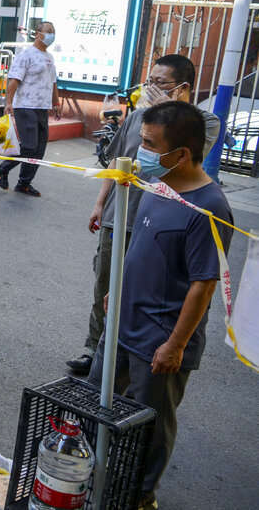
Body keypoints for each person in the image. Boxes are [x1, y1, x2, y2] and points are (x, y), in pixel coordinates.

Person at [87, 101, 233, 510]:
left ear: (182, 153)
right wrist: (119, 289)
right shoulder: (158, 185)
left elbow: (203, 284)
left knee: (149, 424)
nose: (140, 154)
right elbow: (141, 247)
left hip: (159, 340)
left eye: (149, 144)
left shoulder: (209, 207)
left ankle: (140, 494)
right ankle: (94, 475)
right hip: (120, 323)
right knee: (94, 400)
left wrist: (176, 344)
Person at [67, 54, 222, 375]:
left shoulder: (202, 122)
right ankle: (95, 349)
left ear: (182, 87)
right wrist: (100, 204)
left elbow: (197, 151)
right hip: (118, 215)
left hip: (160, 222)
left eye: (160, 83)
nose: (151, 88)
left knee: (146, 292)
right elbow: (117, 160)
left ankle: (137, 352)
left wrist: (172, 112)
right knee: (105, 286)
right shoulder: (138, 116)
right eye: (149, 81)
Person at [0, 21, 60, 197]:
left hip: (42, 108)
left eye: (53, 31)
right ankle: (2, 169)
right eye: (48, 31)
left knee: (39, 150)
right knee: (29, 147)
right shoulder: (26, 55)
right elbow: (14, 80)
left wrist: (56, 103)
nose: (51, 35)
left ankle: (24, 183)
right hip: (25, 106)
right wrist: (8, 102)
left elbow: (53, 82)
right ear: (37, 33)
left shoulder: (49, 57)